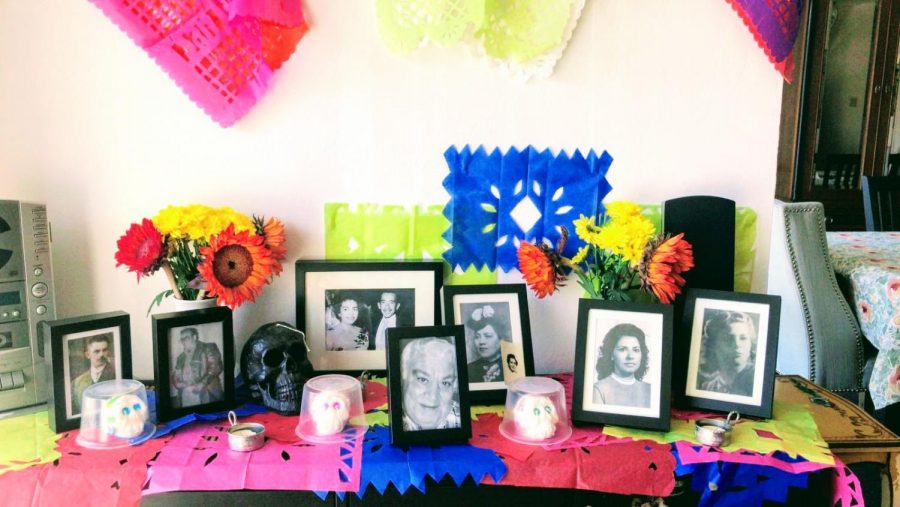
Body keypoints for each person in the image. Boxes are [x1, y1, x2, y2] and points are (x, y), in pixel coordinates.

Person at [401, 337, 461, 431]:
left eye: (445, 383)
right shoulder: (387, 423)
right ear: (404, 373)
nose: (433, 396)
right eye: (423, 379)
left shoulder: (460, 420)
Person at [697, 311, 757, 396]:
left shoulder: (757, 383)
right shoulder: (706, 389)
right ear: (713, 345)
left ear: (751, 343)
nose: (737, 345)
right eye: (728, 339)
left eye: (743, 338)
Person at [592, 323, 651, 408]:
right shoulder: (599, 390)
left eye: (636, 350)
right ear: (611, 354)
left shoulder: (650, 389)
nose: (630, 356)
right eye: (622, 349)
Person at [170, 327, 224, 408]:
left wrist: (202, 384)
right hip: (187, 395)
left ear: (194, 337)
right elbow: (176, 375)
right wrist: (177, 383)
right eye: (182, 340)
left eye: (186, 338)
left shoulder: (208, 347)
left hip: (208, 391)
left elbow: (216, 367)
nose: (183, 342)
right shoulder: (180, 357)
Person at [71, 334, 116, 414]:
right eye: (97, 351)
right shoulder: (77, 383)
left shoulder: (116, 374)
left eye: (104, 350)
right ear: (88, 355)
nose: (101, 354)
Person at [465, 305, 509, 383]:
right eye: (477, 336)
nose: (481, 342)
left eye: (488, 336)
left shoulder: (512, 366)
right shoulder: (469, 369)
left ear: (501, 339)